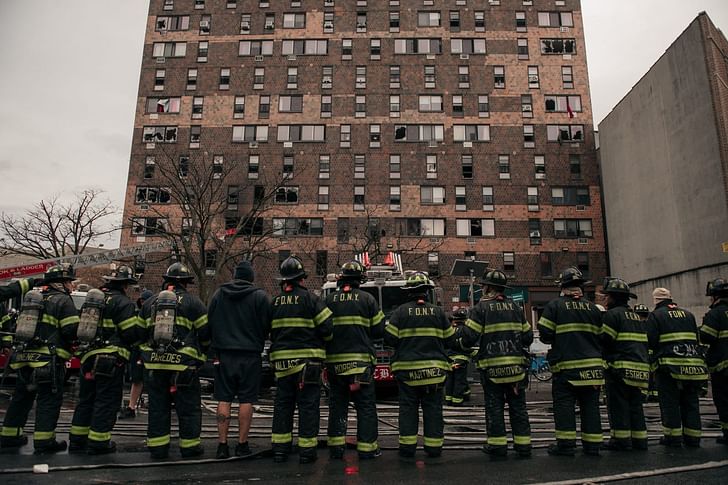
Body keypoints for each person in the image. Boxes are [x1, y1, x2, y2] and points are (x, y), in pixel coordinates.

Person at [0, 266, 79, 454]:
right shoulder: (63, 300)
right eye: (69, 282)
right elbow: (70, 331)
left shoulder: (33, 300)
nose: (70, 286)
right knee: (48, 401)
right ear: (60, 283)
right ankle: (45, 441)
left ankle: (9, 436)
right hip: (48, 361)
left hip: (23, 359)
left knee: (21, 398)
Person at [69, 266, 145, 454]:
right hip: (111, 360)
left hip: (88, 357)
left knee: (86, 399)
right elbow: (129, 333)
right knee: (106, 400)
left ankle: (77, 440)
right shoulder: (124, 303)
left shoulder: (92, 302)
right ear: (125, 285)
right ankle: (99, 442)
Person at [457, 270, 533, 458]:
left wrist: (458, 343)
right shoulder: (515, 308)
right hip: (516, 370)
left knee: (495, 407)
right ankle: (523, 446)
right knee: (518, 408)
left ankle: (498, 447)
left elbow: (468, 338)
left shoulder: (481, 309)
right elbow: (528, 337)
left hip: (492, 371)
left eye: (483, 286)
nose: (482, 288)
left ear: (489, 287)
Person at [139, 262, 210, 459]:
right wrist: (200, 356)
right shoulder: (193, 303)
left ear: (167, 281)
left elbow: (139, 333)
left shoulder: (149, 303)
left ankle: (158, 448)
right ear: (186, 283)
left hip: (154, 365)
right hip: (183, 366)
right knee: (188, 408)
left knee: (158, 408)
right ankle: (189, 447)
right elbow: (205, 334)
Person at [269, 256, 332, 464]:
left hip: (282, 365)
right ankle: (307, 451)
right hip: (308, 364)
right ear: (301, 279)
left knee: (283, 405)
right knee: (308, 406)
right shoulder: (311, 299)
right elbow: (327, 329)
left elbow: (268, 332)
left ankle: (280, 449)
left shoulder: (275, 302)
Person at [385, 272, 454, 459]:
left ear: (409, 292)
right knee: (433, 410)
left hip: (407, 374)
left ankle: (407, 449)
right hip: (434, 373)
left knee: (408, 410)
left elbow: (390, 339)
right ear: (427, 292)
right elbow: (450, 340)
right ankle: (433, 448)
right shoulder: (439, 312)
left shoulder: (399, 312)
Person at [208, 260, 271, 459]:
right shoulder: (260, 297)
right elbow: (267, 325)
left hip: (224, 354)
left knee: (224, 399)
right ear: (251, 278)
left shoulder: (219, 294)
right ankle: (242, 444)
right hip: (250, 355)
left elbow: (209, 321)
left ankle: (222, 445)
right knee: (247, 400)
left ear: (235, 276)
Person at [537, 267, 604, 456]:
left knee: (564, 406)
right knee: (590, 407)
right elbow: (601, 336)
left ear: (563, 286)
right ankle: (592, 445)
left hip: (567, 368)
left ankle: (566, 445)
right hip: (593, 369)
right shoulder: (593, 308)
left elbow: (545, 334)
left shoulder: (555, 306)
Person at [324, 261, 385, 460]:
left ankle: (336, 448)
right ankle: (367, 450)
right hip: (361, 365)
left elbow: (322, 330)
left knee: (337, 406)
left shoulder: (329, 301)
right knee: (365, 406)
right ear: (360, 280)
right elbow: (378, 330)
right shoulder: (368, 299)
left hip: (335, 365)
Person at [647, 287, 708, 447]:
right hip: (692, 366)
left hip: (669, 367)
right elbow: (696, 339)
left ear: (656, 301)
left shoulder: (656, 315)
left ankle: (672, 437)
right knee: (691, 403)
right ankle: (693, 437)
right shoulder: (688, 315)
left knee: (670, 403)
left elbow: (651, 341)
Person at [599, 278, 649, 451]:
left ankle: (620, 440)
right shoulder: (635, 316)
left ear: (613, 297)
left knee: (618, 405)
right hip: (640, 368)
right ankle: (640, 440)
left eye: (606, 297)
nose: (604, 300)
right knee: (635, 406)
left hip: (619, 369)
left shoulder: (613, 316)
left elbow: (605, 340)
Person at [700, 278, 728, 445]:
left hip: (723, 368)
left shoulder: (715, 314)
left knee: (724, 401)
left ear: (715, 296)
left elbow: (706, 336)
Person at [119, 289, 154, 419]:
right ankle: (131, 407)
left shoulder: (149, 315)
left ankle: (151, 404)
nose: (143, 303)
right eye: (142, 301)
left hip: (147, 351)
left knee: (151, 380)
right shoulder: (137, 313)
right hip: (139, 351)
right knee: (137, 380)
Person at [445, 308, 472, 407]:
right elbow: (469, 345)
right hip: (461, 360)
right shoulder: (465, 330)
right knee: (459, 380)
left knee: (450, 380)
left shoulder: (450, 330)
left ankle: (448, 399)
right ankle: (457, 400)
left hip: (449, 360)